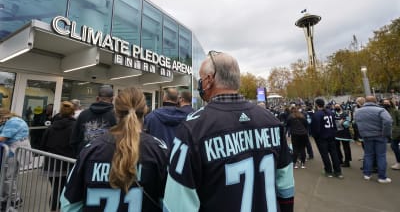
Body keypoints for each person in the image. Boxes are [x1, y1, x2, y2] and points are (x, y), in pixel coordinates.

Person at [163, 51, 294, 212]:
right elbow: (286, 187)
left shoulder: (192, 129)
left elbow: (177, 206)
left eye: (201, 79)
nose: (199, 84)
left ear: (209, 80)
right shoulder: (272, 121)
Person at [61, 87, 169, 211]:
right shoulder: (158, 150)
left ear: (116, 111)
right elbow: (171, 204)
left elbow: (69, 204)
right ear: (145, 111)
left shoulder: (91, 149)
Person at [40, 101, 76, 212]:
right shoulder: (75, 127)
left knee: (56, 188)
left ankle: (54, 209)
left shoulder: (51, 128)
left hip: (51, 165)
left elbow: (43, 146)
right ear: (73, 113)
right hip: (68, 165)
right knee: (63, 190)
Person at [354, 95, 392, 183]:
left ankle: (367, 174)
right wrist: (386, 133)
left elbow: (356, 122)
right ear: (375, 101)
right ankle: (382, 177)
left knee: (368, 155)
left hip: (366, 136)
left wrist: (362, 132)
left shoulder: (358, 111)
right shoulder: (381, 110)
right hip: (380, 135)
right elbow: (388, 121)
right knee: (381, 155)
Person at [70, 85, 116, 156]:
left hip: (84, 156)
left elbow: (74, 139)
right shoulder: (116, 116)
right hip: (106, 159)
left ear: (97, 98)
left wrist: (79, 155)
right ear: (112, 99)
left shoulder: (83, 114)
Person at [0, 108, 31, 211]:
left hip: (14, 151)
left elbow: (2, 138)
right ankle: (5, 198)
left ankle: (15, 199)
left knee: (8, 177)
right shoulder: (10, 121)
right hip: (11, 151)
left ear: (3, 116)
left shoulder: (14, 122)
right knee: (6, 176)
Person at [311, 98, 343, 178]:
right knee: (334, 153)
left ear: (316, 105)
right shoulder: (330, 112)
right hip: (331, 136)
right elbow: (335, 125)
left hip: (322, 137)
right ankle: (338, 171)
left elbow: (315, 128)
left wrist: (315, 136)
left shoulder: (317, 114)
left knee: (324, 154)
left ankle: (328, 171)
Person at [382, 99, 400, 170]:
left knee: (394, 146)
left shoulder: (395, 111)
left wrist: (397, 129)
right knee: (394, 146)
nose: (385, 104)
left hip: (396, 132)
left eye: (387, 103)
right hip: (390, 132)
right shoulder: (384, 111)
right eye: (384, 103)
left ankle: (399, 162)